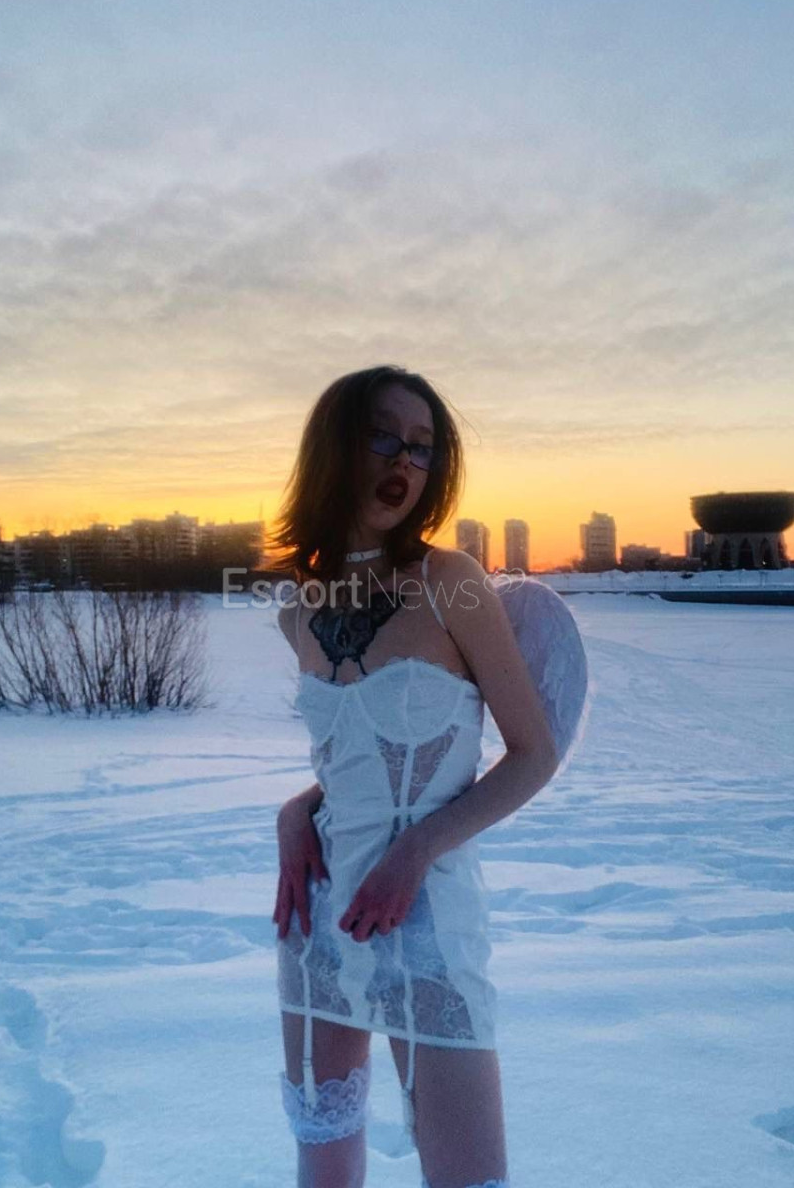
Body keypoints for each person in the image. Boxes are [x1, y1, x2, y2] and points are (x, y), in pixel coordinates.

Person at [267, 365, 559, 1188]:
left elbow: (531, 753)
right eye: (383, 437)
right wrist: (298, 809)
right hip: (319, 914)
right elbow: (356, 759)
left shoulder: (450, 583)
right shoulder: (296, 608)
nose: (405, 460)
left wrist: (414, 851)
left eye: (423, 447)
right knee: (323, 1165)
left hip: (428, 913)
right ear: (334, 450)